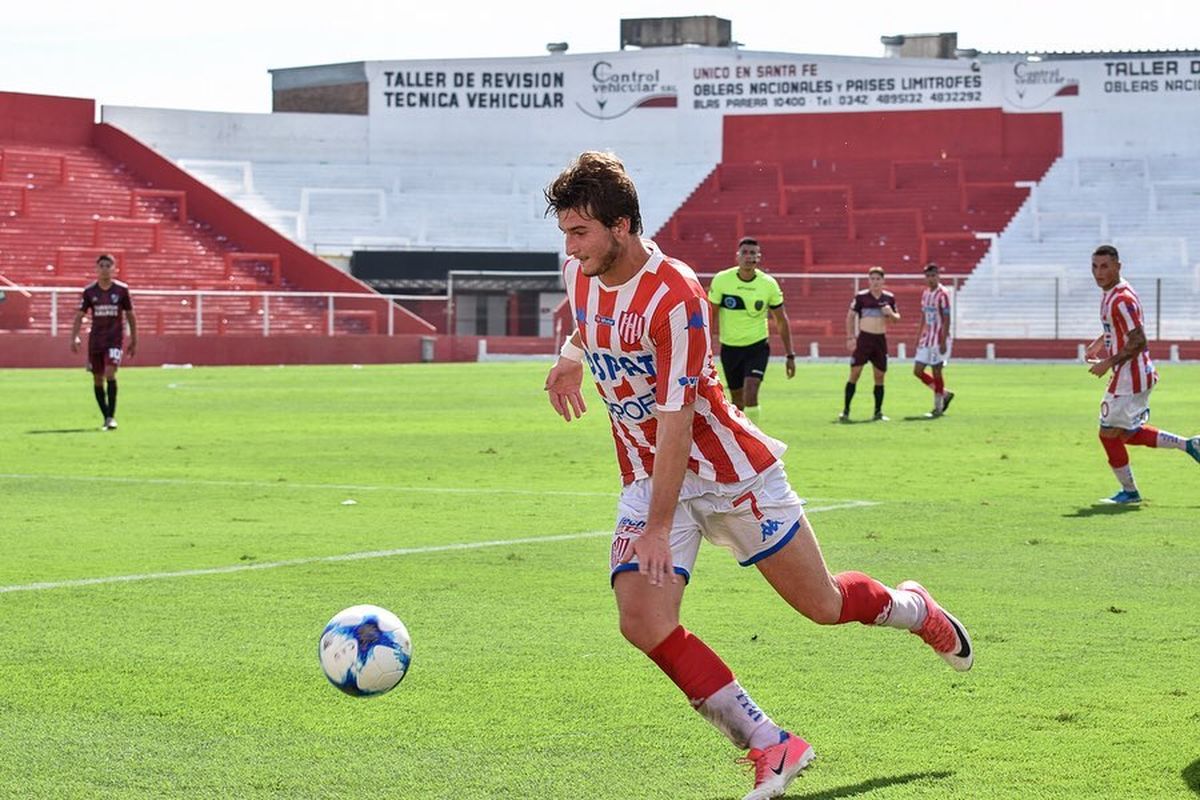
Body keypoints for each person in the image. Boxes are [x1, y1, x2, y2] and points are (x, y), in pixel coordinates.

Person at [542, 151, 973, 800]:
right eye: (565, 235)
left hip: (731, 476)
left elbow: (679, 419)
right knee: (641, 619)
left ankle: (916, 610)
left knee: (823, 607)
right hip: (647, 473)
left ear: (622, 227)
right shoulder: (583, 271)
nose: (570, 250)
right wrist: (571, 357)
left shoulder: (677, 294)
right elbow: (586, 316)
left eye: (580, 234)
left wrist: (658, 527)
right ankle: (771, 744)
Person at [1085, 245, 1199, 503]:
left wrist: (1107, 362)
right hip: (1137, 375)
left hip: (1129, 378)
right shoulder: (1113, 293)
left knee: (1107, 434)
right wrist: (1100, 341)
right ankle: (1189, 445)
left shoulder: (1121, 299)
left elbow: (1138, 340)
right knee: (1125, 433)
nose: (1098, 272)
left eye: (1104, 266)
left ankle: (1130, 492)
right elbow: (1119, 328)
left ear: (1118, 266)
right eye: (1094, 266)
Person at [706, 237, 796, 419]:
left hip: (757, 347)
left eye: (753, 253)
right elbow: (711, 315)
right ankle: (742, 442)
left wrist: (790, 355)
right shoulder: (722, 280)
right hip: (730, 349)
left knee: (751, 392)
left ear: (759, 257)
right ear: (737, 257)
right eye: (745, 253)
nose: (749, 256)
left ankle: (755, 443)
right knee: (737, 401)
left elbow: (781, 320)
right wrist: (706, 347)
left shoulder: (768, 284)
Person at [70, 254, 137, 430]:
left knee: (110, 373)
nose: (105, 268)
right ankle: (106, 416)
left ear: (114, 269)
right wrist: (74, 336)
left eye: (108, 265)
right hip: (96, 341)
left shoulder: (122, 290)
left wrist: (134, 339)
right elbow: (79, 316)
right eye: (102, 265)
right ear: (96, 269)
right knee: (97, 379)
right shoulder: (89, 292)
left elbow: (130, 315)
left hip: (114, 339)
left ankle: (111, 417)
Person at [840, 267, 898, 422]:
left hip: (880, 341)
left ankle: (878, 412)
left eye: (878, 279)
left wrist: (890, 313)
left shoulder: (889, 298)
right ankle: (845, 411)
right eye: (872, 279)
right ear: (869, 281)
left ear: (883, 281)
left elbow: (896, 319)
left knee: (879, 376)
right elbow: (850, 316)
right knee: (855, 373)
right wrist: (851, 337)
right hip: (864, 340)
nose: (875, 282)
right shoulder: (861, 297)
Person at [913, 263, 955, 417]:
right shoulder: (925, 294)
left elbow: (947, 318)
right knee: (917, 371)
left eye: (933, 275)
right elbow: (924, 315)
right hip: (927, 338)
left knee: (936, 371)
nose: (930, 278)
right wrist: (918, 335)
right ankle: (945, 394)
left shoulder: (943, 294)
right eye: (928, 276)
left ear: (938, 276)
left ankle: (938, 407)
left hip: (938, 339)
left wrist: (943, 340)